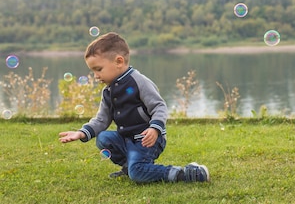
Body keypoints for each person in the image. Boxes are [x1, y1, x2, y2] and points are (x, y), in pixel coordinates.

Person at [59, 32, 209, 183]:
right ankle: (129, 166)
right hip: (127, 138)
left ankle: (186, 173)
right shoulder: (108, 91)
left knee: (137, 174)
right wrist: (81, 133)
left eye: (98, 69)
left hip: (147, 139)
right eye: (93, 71)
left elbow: (159, 107)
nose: (95, 76)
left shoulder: (138, 82)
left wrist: (155, 128)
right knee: (103, 138)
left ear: (119, 61)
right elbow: (101, 120)